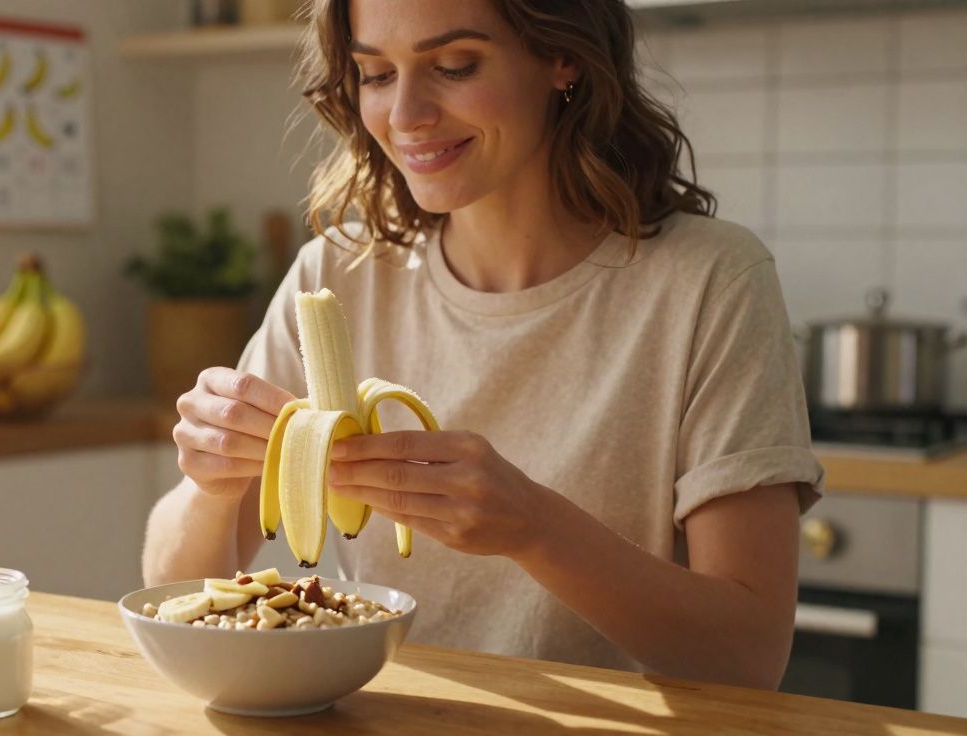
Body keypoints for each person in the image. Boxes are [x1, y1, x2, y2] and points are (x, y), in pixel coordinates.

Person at [142, 0, 824, 690]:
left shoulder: (712, 281)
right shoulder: (335, 274)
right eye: (375, 74)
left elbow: (748, 655)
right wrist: (210, 483)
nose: (406, 115)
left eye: (453, 66)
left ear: (564, 58)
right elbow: (172, 587)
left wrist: (534, 527)